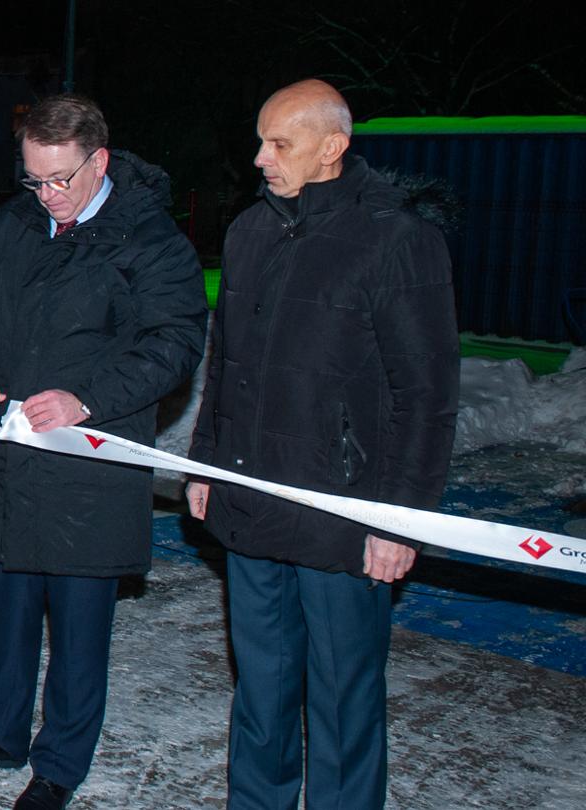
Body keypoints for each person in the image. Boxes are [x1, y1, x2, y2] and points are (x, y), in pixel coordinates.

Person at [0, 95, 206, 810]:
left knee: (79, 636)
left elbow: (173, 342)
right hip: (9, 464)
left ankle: (58, 766)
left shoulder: (149, 238)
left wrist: (88, 397)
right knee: (8, 615)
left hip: (88, 473)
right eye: (34, 180)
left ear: (98, 161)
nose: (47, 196)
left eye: (60, 180)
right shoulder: (17, 224)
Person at [186, 79, 458, 810]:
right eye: (261, 140)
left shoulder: (398, 240)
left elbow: (427, 395)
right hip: (251, 501)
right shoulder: (250, 232)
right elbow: (227, 361)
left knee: (342, 699)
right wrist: (207, 462)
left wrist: (398, 518)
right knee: (263, 687)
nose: (259, 158)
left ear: (332, 147)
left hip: (345, 517)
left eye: (280, 143)